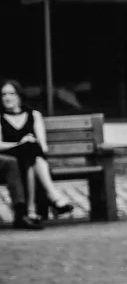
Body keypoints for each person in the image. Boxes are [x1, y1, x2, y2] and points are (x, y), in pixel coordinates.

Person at [0, 78, 74, 227]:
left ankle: (32, 210)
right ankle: (54, 196)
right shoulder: (0, 117)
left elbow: (43, 145)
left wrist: (28, 143)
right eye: (3, 94)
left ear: (19, 96)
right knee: (28, 148)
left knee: (32, 150)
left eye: (11, 93)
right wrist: (20, 143)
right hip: (11, 157)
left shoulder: (34, 115)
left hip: (32, 157)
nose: (7, 97)